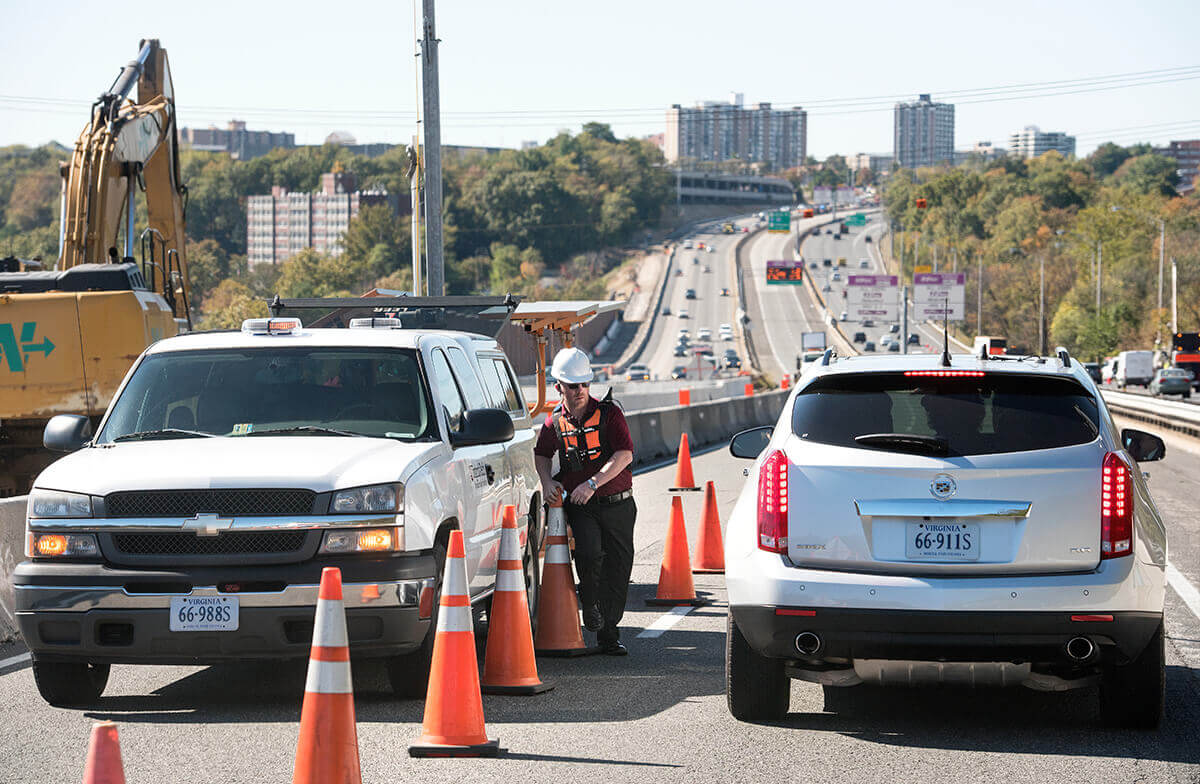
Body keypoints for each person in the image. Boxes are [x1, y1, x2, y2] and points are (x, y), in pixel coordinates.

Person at [534, 347, 636, 655]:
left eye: (583, 385)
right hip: (582, 509)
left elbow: (624, 455)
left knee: (618, 568)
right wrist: (547, 480)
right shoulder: (554, 423)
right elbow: (541, 455)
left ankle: (609, 633)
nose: (579, 391)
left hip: (618, 503)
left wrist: (592, 483)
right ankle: (590, 604)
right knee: (590, 555)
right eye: (572, 385)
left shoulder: (610, 414)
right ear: (559, 387)